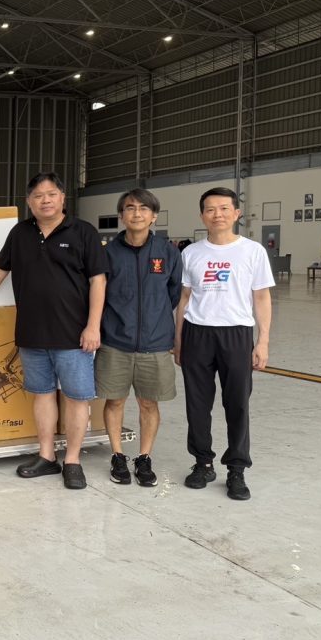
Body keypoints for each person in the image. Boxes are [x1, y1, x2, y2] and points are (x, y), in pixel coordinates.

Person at [0, 172, 107, 490]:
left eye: (51, 194)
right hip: (32, 333)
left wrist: (93, 326)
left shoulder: (83, 232)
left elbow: (98, 280)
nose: (45, 200)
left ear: (63, 197)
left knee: (77, 398)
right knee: (42, 394)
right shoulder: (20, 233)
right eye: (38, 196)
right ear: (29, 202)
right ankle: (47, 456)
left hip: (74, 335)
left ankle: (73, 461)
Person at [174, 187, 274, 501]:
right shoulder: (191, 253)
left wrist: (263, 341)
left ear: (236, 213)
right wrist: (179, 340)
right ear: (202, 215)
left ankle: (237, 468)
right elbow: (184, 298)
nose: (217, 214)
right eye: (210, 209)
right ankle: (202, 462)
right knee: (197, 404)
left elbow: (262, 297)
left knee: (238, 404)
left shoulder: (253, 251)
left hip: (237, 334)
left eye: (224, 208)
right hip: (197, 333)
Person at [97, 188, 182, 487]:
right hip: (115, 342)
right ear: (121, 215)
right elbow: (99, 294)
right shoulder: (108, 253)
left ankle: (144, 457)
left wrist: (155, 319)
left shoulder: (168, 252)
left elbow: (174, 293)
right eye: (130, 208)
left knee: (149, 403)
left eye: (144, 208)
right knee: (115, 401)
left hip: (155, 344)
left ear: (154, 216)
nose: (137, 213)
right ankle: (118, 455)